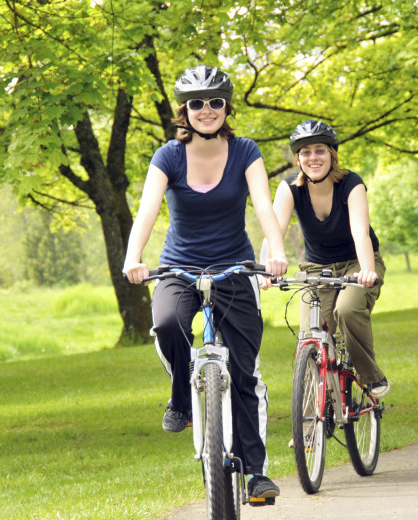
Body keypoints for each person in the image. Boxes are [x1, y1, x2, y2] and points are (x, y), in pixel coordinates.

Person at [121, 65, 288, 499]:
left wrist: (276, 250)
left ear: (227, 107)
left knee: (244, 372)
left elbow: (264, 206)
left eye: (215, 102)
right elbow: (147, 211)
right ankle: (181, 397)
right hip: (179, 267)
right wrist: (132, 257)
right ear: (185, 111)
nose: (207, 110)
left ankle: (255, 474)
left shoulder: (246, 150)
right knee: (167, 323)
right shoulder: (168, 156)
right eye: (197, 103)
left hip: (235, 268)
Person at [261, 120, 390, 399]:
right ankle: (310, 425)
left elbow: (360, 233)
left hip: (357, 262)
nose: (313, 157)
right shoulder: (290, 188)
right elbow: (273, 232)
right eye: (305, 152)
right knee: (310, 338)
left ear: (332, 155)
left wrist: (367, 270)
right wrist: (265, 269)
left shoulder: (350, 183)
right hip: (318, 269)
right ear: (298, 158)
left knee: (346, 310)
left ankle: (370, 375)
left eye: (320, 150)